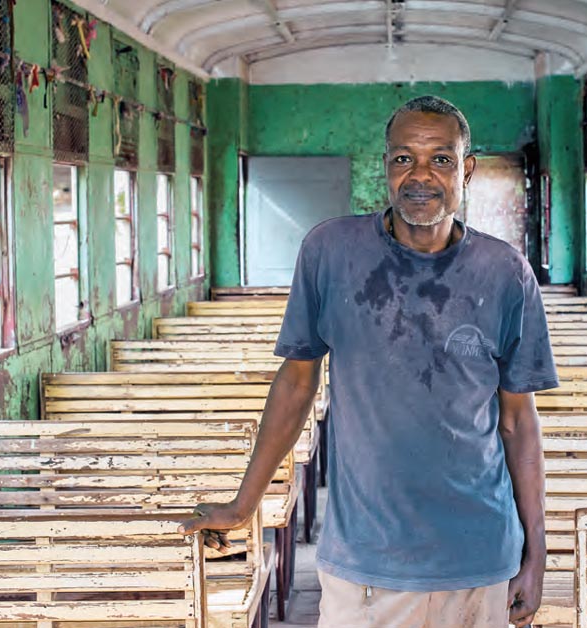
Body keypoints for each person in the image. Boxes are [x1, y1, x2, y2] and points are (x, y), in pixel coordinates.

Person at [180, 95, 558, 628]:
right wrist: (246, 504)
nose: (419, 175)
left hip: (479, 554)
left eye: (441, 159)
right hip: (366, 559)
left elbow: (519, 421)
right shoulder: (330, 252)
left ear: (466, 169)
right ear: (385, 165)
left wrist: (536, 552)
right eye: (404, 158)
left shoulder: (506, 273)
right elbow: (295, 385)